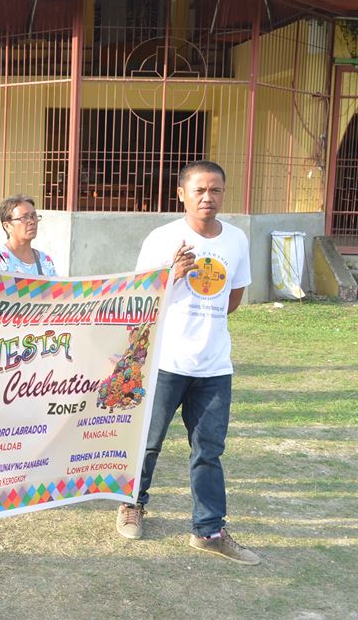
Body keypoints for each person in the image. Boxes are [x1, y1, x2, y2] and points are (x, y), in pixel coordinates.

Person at [116, 160, 259, 566]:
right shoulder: (163, 239)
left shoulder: (235, 240)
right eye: (199, 190)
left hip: (214, 367)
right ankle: (132, 505)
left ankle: (209, 529)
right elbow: (138, 297)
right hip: (165, 362)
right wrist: (172, 275)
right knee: (147, 443)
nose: (207, 198)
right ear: (181, 194)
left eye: (215, 190)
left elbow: (233, 297)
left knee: (209, 450)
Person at [0, 195, 56, 276]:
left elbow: (55, 288)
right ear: (7, 226)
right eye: (24, 218)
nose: (32, 222)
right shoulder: (0, 259)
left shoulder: (45, 261)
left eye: (34, 216)